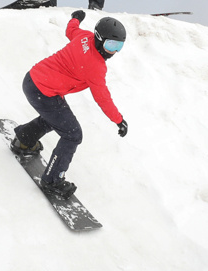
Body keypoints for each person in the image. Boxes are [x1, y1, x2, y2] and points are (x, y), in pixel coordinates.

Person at [10, 10, 128, 199]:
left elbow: (71, 30)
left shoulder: (85, 36)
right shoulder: (96, 66)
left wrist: (76, 18)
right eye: (110, 45)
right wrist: (118, 120)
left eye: (119, 46)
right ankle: (52, 180)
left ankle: (24, 140)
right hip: (44, 91)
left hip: (33, 80)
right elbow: (102, 98)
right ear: (99, 39)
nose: (113, 52)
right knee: (73, 134)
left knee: (57, 120)